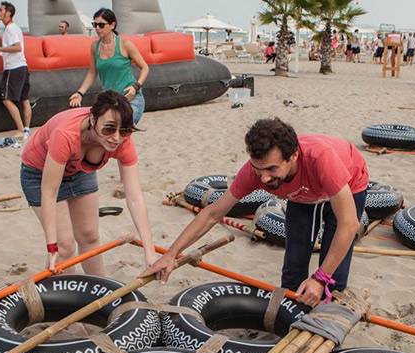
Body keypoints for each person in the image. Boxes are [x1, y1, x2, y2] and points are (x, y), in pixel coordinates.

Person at [143, 118, 369, 306]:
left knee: (332, 271)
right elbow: (213, 213)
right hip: (303, 194)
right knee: (294, 260)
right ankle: (291, 313)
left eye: (272, 169)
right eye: (258, 169)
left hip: (348, 180)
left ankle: (330, 311)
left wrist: (320, 278)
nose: (264, 179)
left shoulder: (321, 160)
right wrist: (171, 255)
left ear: (293, 156)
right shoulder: (254, 173)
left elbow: (348, 225)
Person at [20, 90, 156, 274]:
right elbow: (49, 192)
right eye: (109, 128)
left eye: (124, 130)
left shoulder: (123, 141)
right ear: (93, 119)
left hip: (79, 171)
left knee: (89, 237)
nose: (116, 137)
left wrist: (150, 252)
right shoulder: (66, 134)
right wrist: (52, 248)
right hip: (39, 173)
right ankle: (67, 298)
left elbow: (134, 196)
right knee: (65, 247)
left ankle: (100, 292)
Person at [69, 8, 149, 125]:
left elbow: (145, 68)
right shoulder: (94, 47)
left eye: (101, 25)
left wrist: (135, 87)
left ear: (112, 25)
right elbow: (92, 73)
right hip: (110, 101)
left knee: (121, 129)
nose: (97, 28)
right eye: (95, 24)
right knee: (102, 132)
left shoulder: (125, 44)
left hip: (130, 99)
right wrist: (80, 93)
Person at [0, 1, 32, 140]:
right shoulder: (9, 29)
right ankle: (26, 129)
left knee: (7, 99)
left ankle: (21, 129)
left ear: (8, 13)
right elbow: (0, 44)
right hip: (22, 67)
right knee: (24, 99)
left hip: (13, 68)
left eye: (1, 9)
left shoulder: (11, 29)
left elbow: (17, 47)